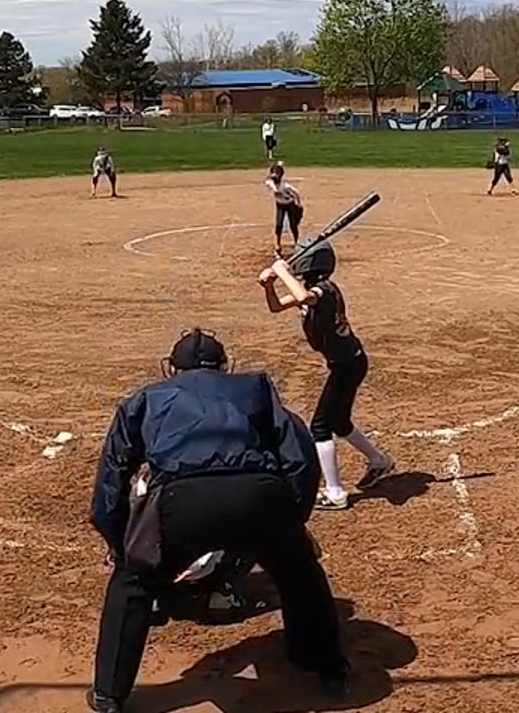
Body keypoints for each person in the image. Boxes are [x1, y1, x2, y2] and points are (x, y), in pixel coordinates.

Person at [89, 329, 347, 712]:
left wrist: (121, 544)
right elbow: (299, 456)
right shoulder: (257, 387)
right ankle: (327, 665)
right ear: (225, 366)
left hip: (181, 501)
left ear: (171, 369)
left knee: (133, 582)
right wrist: (291, 520)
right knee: (299, 571)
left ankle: (109, 694)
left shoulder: (144, 399)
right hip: (258, 493)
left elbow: (112, 479)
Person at [259, 242, 395, 510]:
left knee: (320, 427)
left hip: (348, 365)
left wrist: (280, 270)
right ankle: (380, 461)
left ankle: (335, 493)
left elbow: (303, 297)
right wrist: (269, 286)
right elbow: (276, 306)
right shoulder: (311, 289)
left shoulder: (324, 290)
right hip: (344, 363)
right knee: (340, 422)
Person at [265, 162, 304, 252]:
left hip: (290, 204)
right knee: (279, 224)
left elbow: (296, 193)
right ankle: (277, 244)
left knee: (293, 225)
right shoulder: (270, 183)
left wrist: (299, 204)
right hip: (280, 205)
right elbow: (269, 183)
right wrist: (274, 188)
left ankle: (297, 242)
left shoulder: (286, 186)